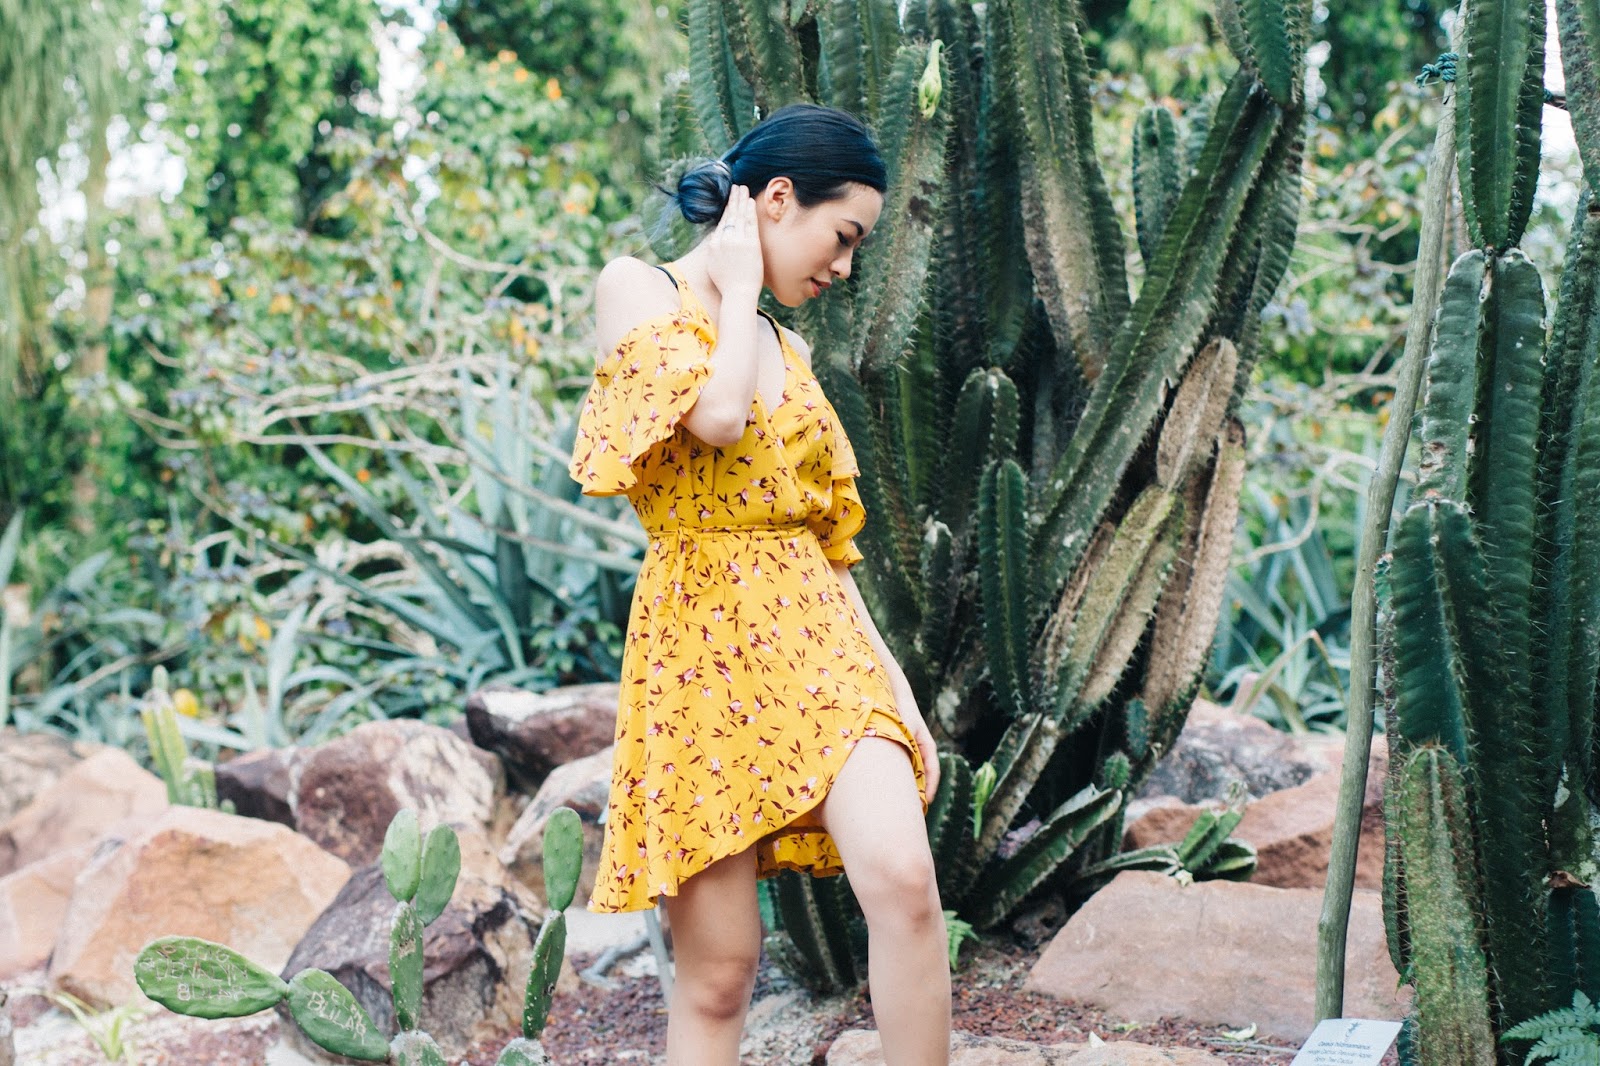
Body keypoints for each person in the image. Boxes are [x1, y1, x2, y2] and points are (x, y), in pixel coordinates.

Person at [566, 103, 952, 1065]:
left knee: (905, 883)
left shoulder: (793, 349)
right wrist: (739, 288)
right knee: (720, 971)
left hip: (820, 636)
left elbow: (827, 542)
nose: (845, 266)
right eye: (843, 236)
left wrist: (897, 692)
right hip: (698, 644)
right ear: (777, 199)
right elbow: (719, 417)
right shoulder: (637, 289)